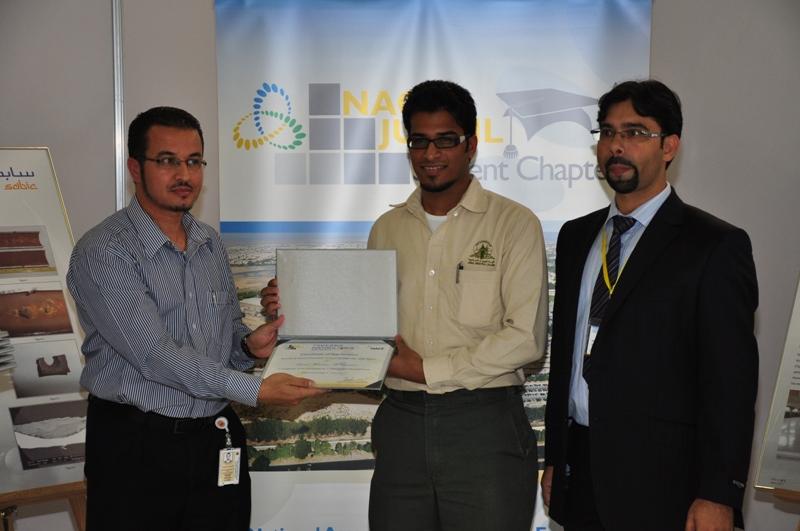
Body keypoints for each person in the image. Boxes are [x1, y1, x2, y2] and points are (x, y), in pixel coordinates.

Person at [66, 106, 325, 531]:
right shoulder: (105, 251)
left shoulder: (209, 243)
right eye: (167, 161)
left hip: (214, 438)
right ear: (135, 168)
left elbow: (224, 336)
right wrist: (255, 389)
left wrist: (247, 346)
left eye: (194, 161)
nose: (184, 174)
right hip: (136, 447)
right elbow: (155, 356)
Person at [541, 80, 758, 531]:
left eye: (635, 132)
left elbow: (730, 385)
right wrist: (555, 459)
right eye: (607, 132)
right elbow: (564, 360)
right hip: (579, 472)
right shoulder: (576, 237)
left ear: (670, 146)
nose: (616, 146)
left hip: (664, 485)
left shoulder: (714, 246)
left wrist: (718, 494)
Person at [366, 80, 549, 531]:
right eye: (419, 141)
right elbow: (368, 325)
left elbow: (525, 339)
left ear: (471, 145)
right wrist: (299, 302)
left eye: (445, 140)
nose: (431, 154)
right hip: (402, 423)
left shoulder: (514, 224)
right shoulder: (386, 229)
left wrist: (426, 370)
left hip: (483, 424)